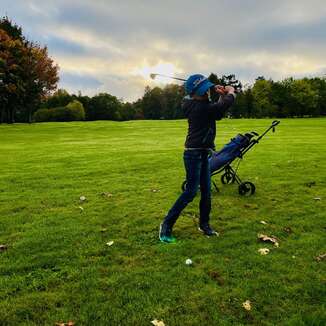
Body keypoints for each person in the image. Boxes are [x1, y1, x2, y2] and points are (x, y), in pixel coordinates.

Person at [159, 74, 236, 243]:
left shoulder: (195, 102)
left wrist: (216, 92)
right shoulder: (201, 108)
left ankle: (204, 225)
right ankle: (166, 224)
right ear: (194, 94)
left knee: (206, 193)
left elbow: (217, 113)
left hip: (202, 153)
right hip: (193, 154)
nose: (205, 94)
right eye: (202, 92)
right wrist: (230, 92)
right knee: (191, 192)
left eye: (206, 90)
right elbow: (222, 106)